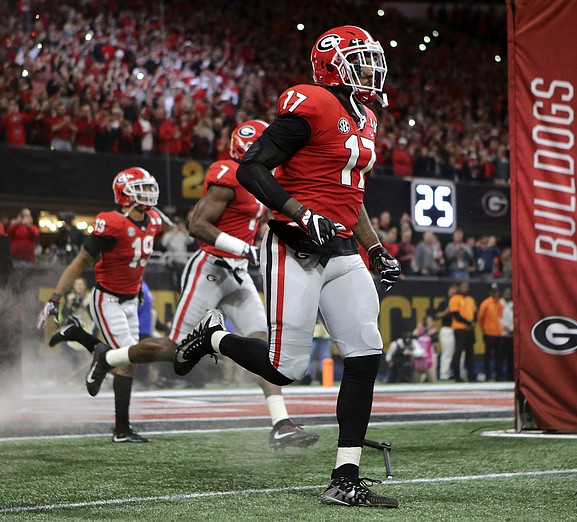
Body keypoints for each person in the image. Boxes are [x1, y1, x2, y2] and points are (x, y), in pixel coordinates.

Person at [171, 26, 400, 507]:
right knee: (285, 369)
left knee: (364, 355)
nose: (371, 67)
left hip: (342, 250)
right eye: (361, 59)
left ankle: (345, 478)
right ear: (333, 64)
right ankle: (212, 336)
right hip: (296, 245)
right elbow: (252, 167)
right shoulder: (312, 103)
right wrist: (300, 212)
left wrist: (375, 248)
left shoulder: (368, 118)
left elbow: (349, 197)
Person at [50, 121, 320, 450]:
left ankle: (281, 423)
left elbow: (255, 222)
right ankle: (108, 358)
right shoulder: (228, 173)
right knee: (173, 349)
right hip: (209, 268)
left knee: (263, 347)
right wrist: (243, 248)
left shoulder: (267, 178)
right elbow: (197, 225)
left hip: (239, 273)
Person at [38, 167, 163, 443]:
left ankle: (83, 340)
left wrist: (137, 288)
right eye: (140, 188)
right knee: (130, 358)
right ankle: (120, 426)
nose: (148, 193)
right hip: (108, 299)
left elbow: (136, 261)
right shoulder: (112, 223)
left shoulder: (153, 220)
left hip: (132, 298)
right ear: (125, 193)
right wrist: (55, 297)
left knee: (130, 360)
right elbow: (81, 262)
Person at [449, 281, 477, 382]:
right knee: (458, 352)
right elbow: (456, 315)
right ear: (459, 288)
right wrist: (469, 323)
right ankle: (457, 376)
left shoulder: (470, 299)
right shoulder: (454, 299)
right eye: (463, 287)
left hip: (469, 330)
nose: (465, 289)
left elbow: (474, 313)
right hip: (459, 328)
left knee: (470, 353)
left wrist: (473, 322)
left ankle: (471, 376)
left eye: (466, 287)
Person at [477, 283, 504, 380]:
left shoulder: (500, 304)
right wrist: (484, 330)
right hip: (489, 333)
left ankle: (499, 376)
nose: (496, 293)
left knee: (499, 356)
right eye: (493, 291)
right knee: (488, 356)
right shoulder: (486, 303)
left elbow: (501, 317)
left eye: (496, 291)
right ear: (490, 292)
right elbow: (480, 318)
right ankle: (487, 375)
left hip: (499, 333)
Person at [434, 284, 458, 380]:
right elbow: (437, 315)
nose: (453, 292)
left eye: (455, 291)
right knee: (447, 353)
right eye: (452, 290)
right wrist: (447, 311)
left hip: (458, 329)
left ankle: (459, 373)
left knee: (459, 354)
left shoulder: (458, 301)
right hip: (447, 328)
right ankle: (444, 375)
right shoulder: (444, 302)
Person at [499, 287, 514, 381]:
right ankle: (500, 375)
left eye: (509, 293)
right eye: (506, 293)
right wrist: (509, 328)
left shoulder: (513, 304)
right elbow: (499, 318)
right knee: (501, 356)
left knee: (511, 357)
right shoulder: (500, 303)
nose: (508, 294)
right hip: (503, 333)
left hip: (512, 334)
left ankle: (510, 375)